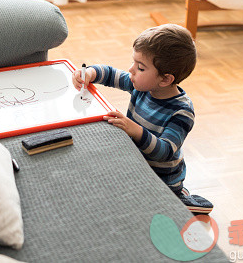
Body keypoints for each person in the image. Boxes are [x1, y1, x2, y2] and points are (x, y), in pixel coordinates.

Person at [72, 24, 213, 214]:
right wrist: (89, 73)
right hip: (137, 163)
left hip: (161, 178)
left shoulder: (182, 111)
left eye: (140, 67)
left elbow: (165, 151)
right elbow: (111, 73)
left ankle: (179, 198)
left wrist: (135, 130)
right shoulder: (142, 85)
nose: (131, 70)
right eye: (134, 63)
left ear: (165, 80)